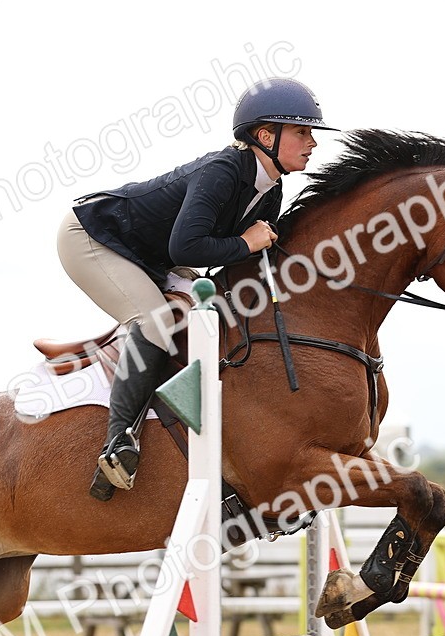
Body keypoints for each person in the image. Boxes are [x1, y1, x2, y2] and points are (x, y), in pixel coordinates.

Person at [57, 77, 336, 501]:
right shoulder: (222, 172)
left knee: (207, 316)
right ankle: (117, 445)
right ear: (266, 136)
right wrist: (247, 242)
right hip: (94, 238)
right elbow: (187, 246)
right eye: (302, 131)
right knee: (154, 319)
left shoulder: (271, 188)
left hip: (155, 255)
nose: (312, 142)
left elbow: (239, 260)